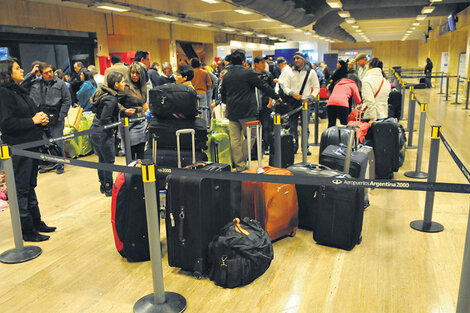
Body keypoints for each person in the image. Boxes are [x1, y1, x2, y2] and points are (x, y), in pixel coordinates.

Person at [0, 57, 56, 241]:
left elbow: (30, 113)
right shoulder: (4, 94)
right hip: (18, 148)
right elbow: (6, 124)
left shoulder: (19, 91)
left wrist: (41, 119)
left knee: (30, 186)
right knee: (22, 190)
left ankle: (36, 222)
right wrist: (33, 120)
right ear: (7, 73)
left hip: (31, 145)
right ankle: (26, 230)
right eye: (17, 68)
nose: (22, 70)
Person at [221, 50, 281, 172]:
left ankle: (239, 166)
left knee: (235, 140)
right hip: (247, 112)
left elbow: (223, 93)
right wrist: (276, 96)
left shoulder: (226, 75)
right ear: (243, 61)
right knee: (252, 136)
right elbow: (263, 86)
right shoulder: (248, 73)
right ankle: (242, 159)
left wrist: (227, 104)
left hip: (232, 112)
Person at [24, 63, 72, 174]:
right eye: (46, 73)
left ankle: (60, 164)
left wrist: (61, 116)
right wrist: (31, 74)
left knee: (57, 142)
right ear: (41, 73)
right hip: (40, 117)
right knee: (44, 143)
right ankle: (48, 164)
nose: (49, 74)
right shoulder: (35, 83)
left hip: (55, 118)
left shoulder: (60, 84)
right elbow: (22, 85)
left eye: (50, 71)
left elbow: (67, 100)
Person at [89, 72, 126, 196]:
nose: (124, 83)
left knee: (102, 159)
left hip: (94, 130)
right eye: (122, 81)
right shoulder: (111, 98)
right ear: (116, 84)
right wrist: (112, 130)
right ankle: (109, 187)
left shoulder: (103, 94)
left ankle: (103, 185)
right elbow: (105, 118)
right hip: (103, 133)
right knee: (109, 161)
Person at [280, 52, 320, 154]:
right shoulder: (290, 73)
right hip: (292, 102)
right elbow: (285, 86)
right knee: (292, 127)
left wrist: (311, 97)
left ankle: (305, 148)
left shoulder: (311, 72)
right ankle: (294, 147)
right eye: (295, 58)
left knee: (305, 127)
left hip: (305, 103)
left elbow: (316, 88)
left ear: (304, 60)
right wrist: (292, 93)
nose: (296, 60)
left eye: (299, 58)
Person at [119, 62, 148, 160]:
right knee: (131, 154)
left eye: (137, 73)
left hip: (141, 123)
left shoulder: (143, 87)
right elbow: (114, 101)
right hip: (129, 124)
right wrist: (124, 110)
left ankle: (140, 175)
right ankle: (131, 175)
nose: (134, 75)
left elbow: (144, 102)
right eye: (132, 72)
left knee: (141, 153)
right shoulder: (125, 87)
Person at [253, 55, 275, 154]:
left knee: (267, 126)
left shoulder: (268, 75)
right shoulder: (250, 75)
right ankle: (256, 148)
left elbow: (271, 90)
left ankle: (266, 147)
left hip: (266, 104)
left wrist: (270, 103)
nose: (264, 64)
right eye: (262, 62)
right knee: (255, 127)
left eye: (264, 62)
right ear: (256, 64)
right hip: (254, 105)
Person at [361, 57, 391, 121]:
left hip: (370, 117)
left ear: (371, 67)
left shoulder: (367, 80)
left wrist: (373, 119)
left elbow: (370, 101)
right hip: (383, 115)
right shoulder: (386, 80)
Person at [191, 58, 212, 128]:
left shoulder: (190, 72)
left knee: (194, 111)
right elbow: (209, 84)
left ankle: (196, 126)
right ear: (199, 64)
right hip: (203, 93)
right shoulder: (205, 72)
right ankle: (204, 126)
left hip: (193, 93)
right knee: (204, 110)